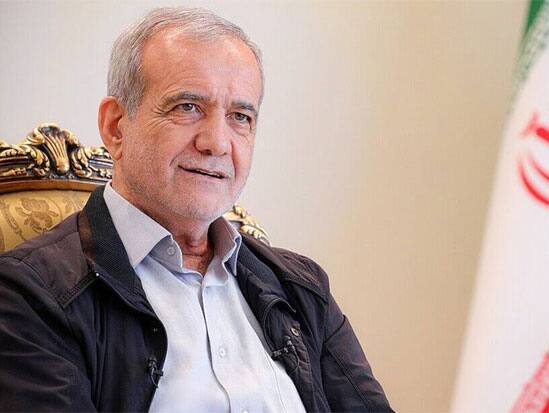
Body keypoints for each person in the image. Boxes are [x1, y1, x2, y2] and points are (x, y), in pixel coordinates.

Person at [0, 7, 392, 412]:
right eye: (187, 107)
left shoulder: (302, 288)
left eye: (240, 117)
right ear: (116, 126)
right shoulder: (29, 295)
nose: (217, 143)